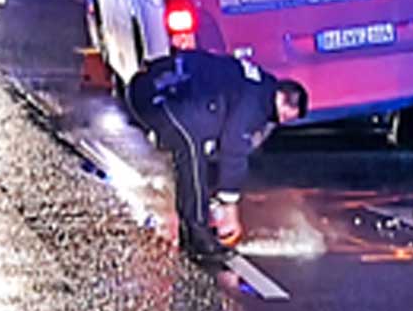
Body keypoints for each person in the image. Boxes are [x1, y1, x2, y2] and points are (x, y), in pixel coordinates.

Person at [125, 51, 308, 264]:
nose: (282, 121)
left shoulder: (260, 89)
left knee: (198, 146)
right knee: (190, 149)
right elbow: (234, 149)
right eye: (286, 116)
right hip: (151, 93)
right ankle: (198, 238)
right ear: (284, 100)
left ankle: (192, 229)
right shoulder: (255, 103)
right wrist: (229, 204)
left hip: (164, 89)